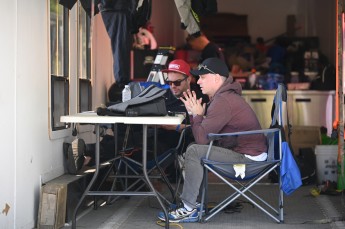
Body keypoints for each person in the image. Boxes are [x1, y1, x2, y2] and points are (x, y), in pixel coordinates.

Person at [157, 57, 267, 223]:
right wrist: (199, 116)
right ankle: (194, 203)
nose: (198, 81)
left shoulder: (222, 101)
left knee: (195, 150)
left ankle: (189, 208)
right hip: (248, 154)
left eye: (202, 77)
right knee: (196, 149)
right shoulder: (223, 97)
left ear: (216, 78)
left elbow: (201, 138)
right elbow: (205, 136)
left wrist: (196, 114)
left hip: (248, 162)